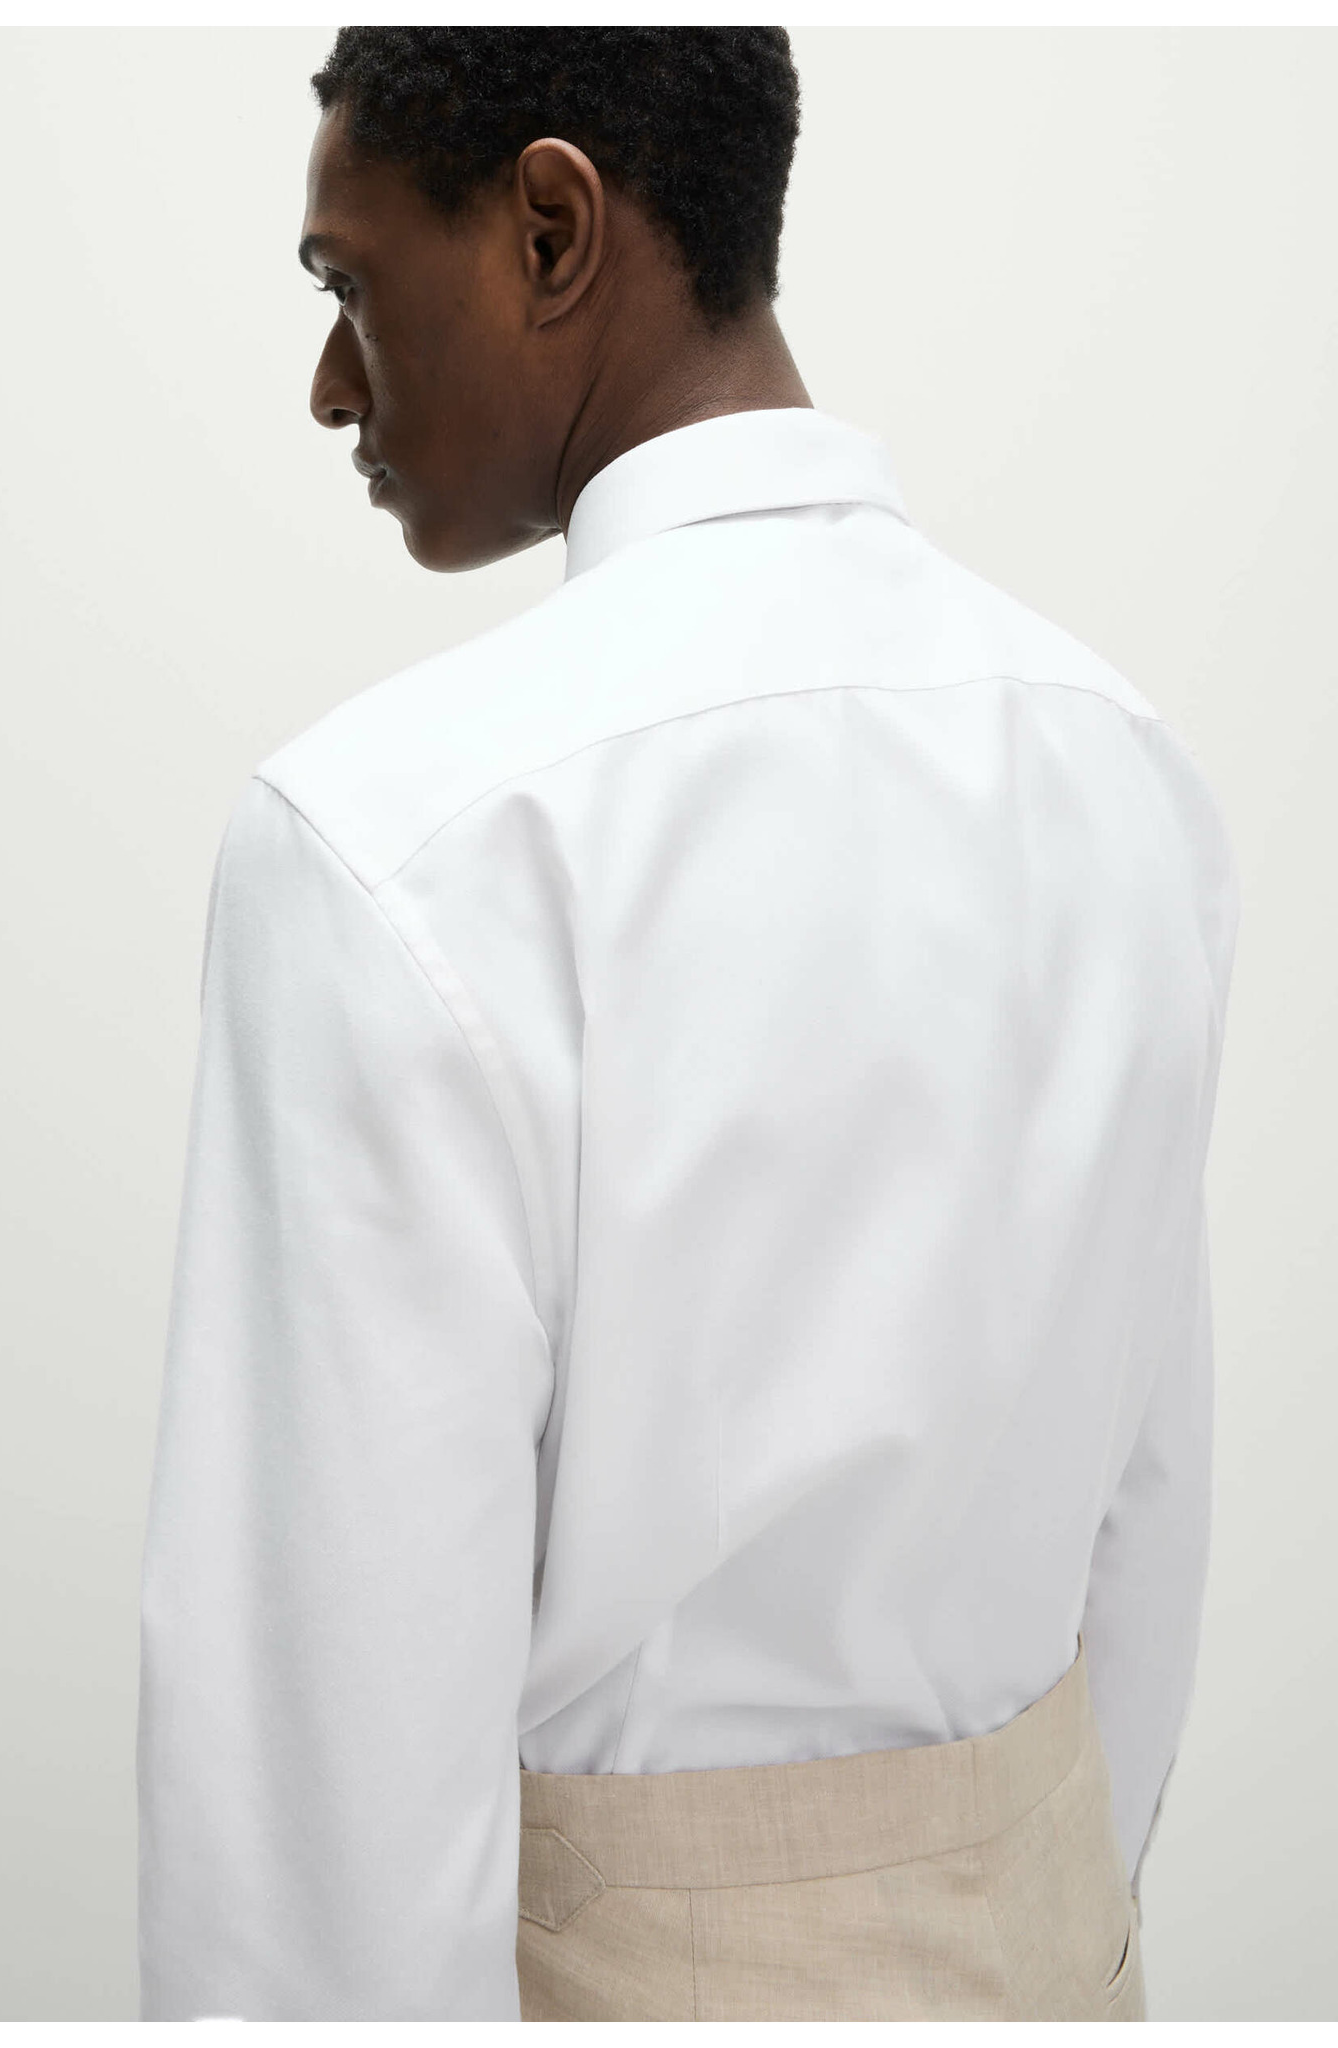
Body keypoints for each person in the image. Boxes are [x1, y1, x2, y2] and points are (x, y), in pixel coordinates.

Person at [136, 27, 1237, 2023]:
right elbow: (1142, 1546)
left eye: (348, 285)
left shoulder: (402, 842)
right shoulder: (1117, 762)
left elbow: (325, 1813)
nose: (328, 387)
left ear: (553, 229)